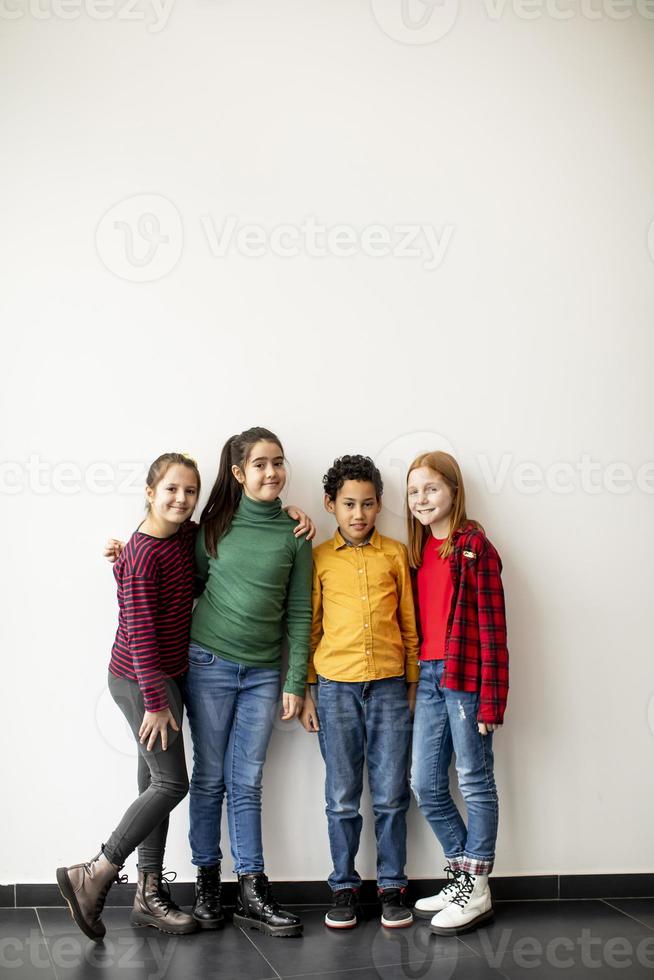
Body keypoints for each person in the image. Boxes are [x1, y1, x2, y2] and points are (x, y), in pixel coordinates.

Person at [56, 452, 203, 940]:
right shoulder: (141, 555)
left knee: (154, 787)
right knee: (171, 784)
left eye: (189, 492)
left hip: (166, 676)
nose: (181, 500)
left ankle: (147, 894)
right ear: (149, 493)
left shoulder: (181, 536)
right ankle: (95, 871)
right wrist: (156, 702)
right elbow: (139, 633)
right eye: (171, 491)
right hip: (143, 680)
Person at [187, 427, 312, 938]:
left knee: (247, 781)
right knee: (210, 777)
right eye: (260, 464)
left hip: (264, 674)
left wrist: (296, 679)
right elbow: (183, 582)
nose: (272, 472)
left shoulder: (296, 533)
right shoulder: (212, 528)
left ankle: (252, 888)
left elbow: (300, 613)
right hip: (209, 666)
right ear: (239, 474)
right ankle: (206, 881)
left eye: (278, 462)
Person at [301, 455, 419, 930]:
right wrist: (308, 690)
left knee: (392, 794)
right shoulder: (319, 559)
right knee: (343, 796)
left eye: (368, 504)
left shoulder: (394, 555)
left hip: (390, 686)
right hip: (334, 689)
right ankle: (344, 886)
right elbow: (309, 627)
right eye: (349, 504)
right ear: (331, 504)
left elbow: (409, 623)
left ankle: (393, 885)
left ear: (379, 505)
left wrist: (411, 681)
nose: (358, 514)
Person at [406, 451, 509, 936]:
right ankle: (462, 874)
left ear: (453, 490)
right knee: (424, 782)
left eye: (430, 489)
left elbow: (493, 630)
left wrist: (492, 700)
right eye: (413, 492)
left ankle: (477, 886)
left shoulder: (475, 549)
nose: (421, 499)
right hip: (428, 675)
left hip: (466, 678)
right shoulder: (418, 548)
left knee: (472, 778)